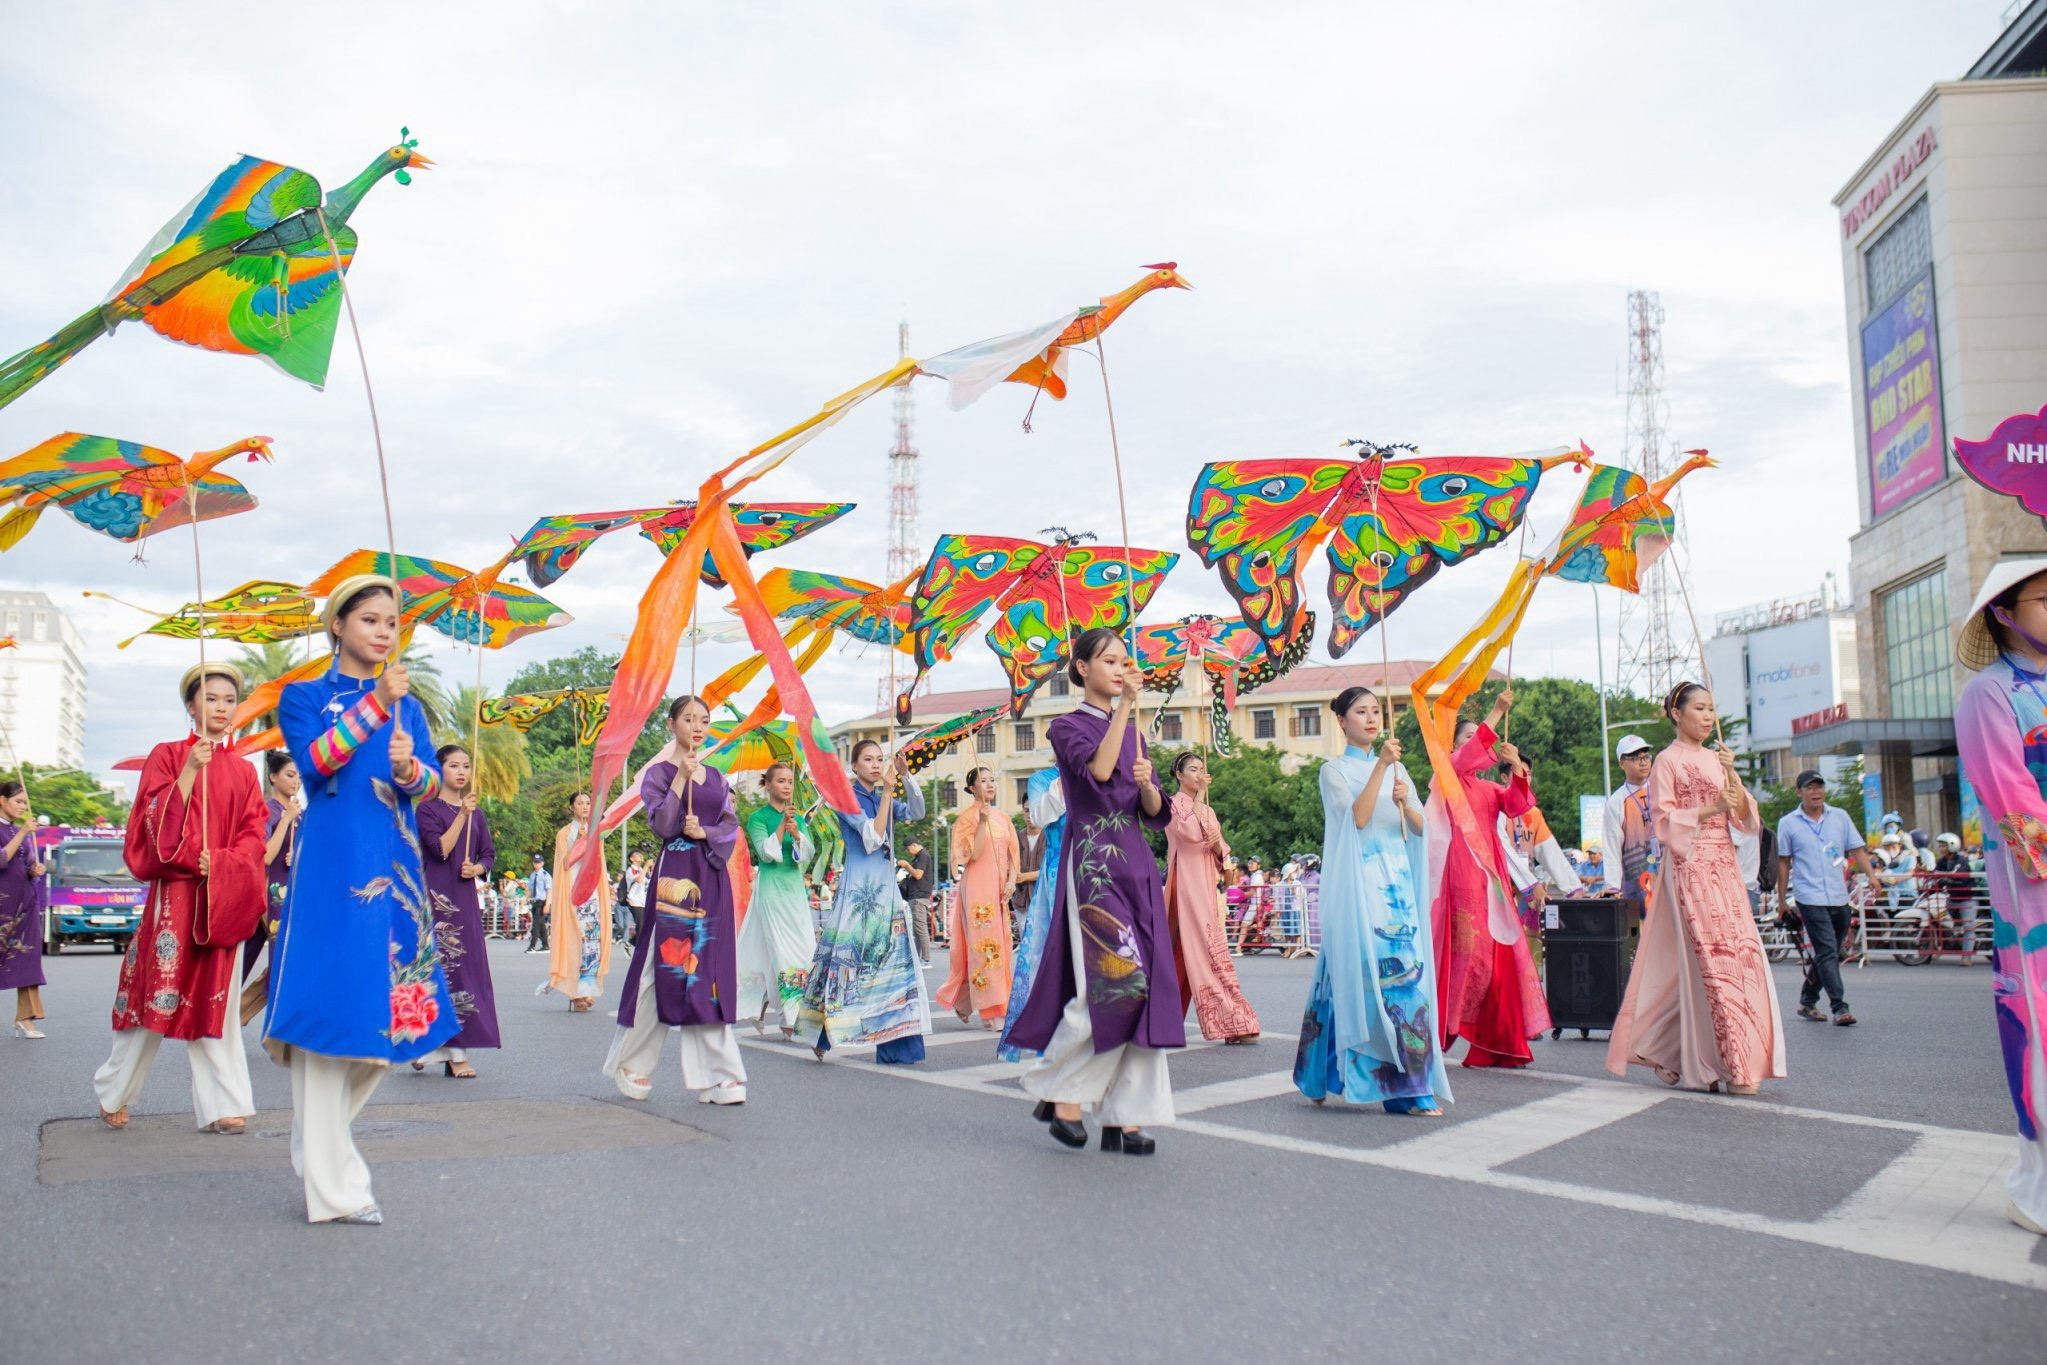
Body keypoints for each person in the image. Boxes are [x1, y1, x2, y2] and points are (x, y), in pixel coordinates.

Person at [265, 576, 458, 1224]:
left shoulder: (411, 708)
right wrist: (374, 704)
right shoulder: (305, 697)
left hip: (397, 874)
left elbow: (428, 784)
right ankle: (335, 1188)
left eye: (391, 622)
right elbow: (316, 762)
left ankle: (311, 1139)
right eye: (370, 619)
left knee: (390, 1029)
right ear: (338, 625)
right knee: (333, 1022)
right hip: (331, 874)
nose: (383, 630)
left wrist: (410, 769)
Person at [1004, 627, 1181, 1155]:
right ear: (1082, 669)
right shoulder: (1067, 726)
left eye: (1125, 661)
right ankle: (1061, 1093)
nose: (1121, 669)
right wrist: (1126, 709)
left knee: (1145, 993)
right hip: (1095, 868)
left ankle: (1126, 1118)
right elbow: (1100, 772)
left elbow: (1150, 813)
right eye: (1109, 660)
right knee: (1114, 984)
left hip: (1139, 868)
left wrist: (1150, 784)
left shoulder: (1135, 732)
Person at [93, 662, 266, 1134]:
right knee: (154, 1000)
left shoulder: (246, 771)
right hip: (175, 900)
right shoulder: (168, 755)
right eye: (211, 699)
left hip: (222, 899)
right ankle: (114, 1091)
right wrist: (190, 770)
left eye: (230, 700)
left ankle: (222, 1105)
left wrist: (226, 862)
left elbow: (255, 833)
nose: (222, 708)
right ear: (191, 706)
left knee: (219, 1003)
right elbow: (151, 824)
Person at [1607, 681, 1782, 1096]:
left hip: (1725, 871)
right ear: (1677, 714)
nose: (1707, 716)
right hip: (1689, 868)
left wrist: (1731, 775)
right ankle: (1733, 1063)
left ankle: (1672, 1051)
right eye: (1699, 708)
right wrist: (1712, 807)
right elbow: (1665, 822)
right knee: (1710, 963)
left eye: (1711, 709)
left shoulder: (1717, 758)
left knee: (1741, 962)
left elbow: (1747, 819)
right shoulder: (1666, 762)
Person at [1295, 687, 1447, 1113]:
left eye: (1375, 710)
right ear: (1342, 721)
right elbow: (1356, 820)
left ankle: (1325, 1072)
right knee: (1367, 981)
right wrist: (1380, 767)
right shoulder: (1334, 772)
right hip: (1358, 887)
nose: (1370, 717)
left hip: (1396, 888)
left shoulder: (1400, 773)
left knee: (1399, 984)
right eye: (1360, 712)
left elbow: (1419, 828)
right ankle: (1403, 1090)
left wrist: (1407, 802)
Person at [1952, 555, 2047, 1234]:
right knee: (2038, 1030)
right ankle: (2033, 1183)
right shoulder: (1988, 694)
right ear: (2005, 614)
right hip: (2033, 899)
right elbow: (2015, 806)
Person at [604, 696, 747, 1104]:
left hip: (711, 879)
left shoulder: (719, 778)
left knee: (707, 971)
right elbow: (663, 825)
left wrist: (706, 834)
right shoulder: (659, 774)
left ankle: (719, 1076)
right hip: (674, 881)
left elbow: (730, 828)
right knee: (660, 967)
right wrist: (681, 781)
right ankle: (633, 1062)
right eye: (688, 719)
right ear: (672, 725)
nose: (697, 727)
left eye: (704, 720)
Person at [1427, 689, 1551, 1067]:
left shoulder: (1487, 788)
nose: (1478, 744)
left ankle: (1495, 1037)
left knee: (1498, 953)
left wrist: (1517, 769)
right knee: (1466, 953)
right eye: (1469, 737)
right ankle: (1439, 1028)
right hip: (1461, 872)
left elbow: (1517, 805)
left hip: (1491, 879)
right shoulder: (1445, 775)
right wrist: (1497, 711)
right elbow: (1465, 755)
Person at [799, 739, 930, 1063]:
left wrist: (905, 776)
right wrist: (887, 793)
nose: (875, 764)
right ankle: (823, 1032)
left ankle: (896, 1042)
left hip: (885, 887)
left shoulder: (880, 794)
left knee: (891, 960)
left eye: (880, 759)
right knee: (846, 959)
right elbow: (872, 839)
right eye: (868, 759)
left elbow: (917, 811)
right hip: (859, 887)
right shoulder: (847, 799)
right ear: (854, 767)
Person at [412, 744, 500, 1079]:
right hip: (435, 901)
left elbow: (488, 854)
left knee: (464, 972)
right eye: (453, 765)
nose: (461, 772)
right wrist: (461, 814)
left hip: (464, 901)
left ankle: (449, 1050)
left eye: (465, 766)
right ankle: (434, 1047)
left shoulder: (477, 813)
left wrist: (476, 869)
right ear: (439, 770)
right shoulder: (428, 810)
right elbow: (440, 849)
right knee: (436, 971)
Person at [1163, 753, 1259, 1043]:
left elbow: (1222, 851)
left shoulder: (1208, 811)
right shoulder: (1171, 805)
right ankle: (1234, 1022)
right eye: (1193, 769)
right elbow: (1189, 834)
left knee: (1186, 952)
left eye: (1202, 769)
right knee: (1203, 952)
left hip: (1205, 886)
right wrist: (1201, 796)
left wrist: (1219, 848)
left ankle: (1161, 1022)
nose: (1198, 774)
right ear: (1179, 775)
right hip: (1186, 886)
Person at [1774, 769, 1877, 1026]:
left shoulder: (1839, 817)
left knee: (1828, 952)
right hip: (1809, 897)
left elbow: (1857, 849)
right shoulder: (1788, 823)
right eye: (1809, 787)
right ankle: (1840, 1007)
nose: (1815, 791)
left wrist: (1872, 877)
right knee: (1827, 951)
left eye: (1819, 786)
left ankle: (1808, 1000)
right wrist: (1782, 901)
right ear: (1799, 792)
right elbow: (1784, 862)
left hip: (1839, 896)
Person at [735, 761, 815, 1038]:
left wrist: (796, 834)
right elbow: (765, 852)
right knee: (782, 950)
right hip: (770, 891)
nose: (786, 786)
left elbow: (806, 854)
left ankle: (768, 1005)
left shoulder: (799, 818)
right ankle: (790, 1017)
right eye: (780, 781)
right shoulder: (758, 818)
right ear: (767, 784)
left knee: (803, 948)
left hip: (794, 890)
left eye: (790, 781)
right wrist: (782, 825)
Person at [937, 766, 1019, 1028]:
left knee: (1003, 946)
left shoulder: (1005, 818)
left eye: (992, 780)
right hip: (977, 889)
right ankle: (991, 1009)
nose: (990, 784)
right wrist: (982, 822)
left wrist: (1012, 881)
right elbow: (972, 855)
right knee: (985, 946)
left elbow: (1013, 854)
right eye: (983, 781)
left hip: (999, 891)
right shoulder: (967, 819)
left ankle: (966, 1001)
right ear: (972, 788)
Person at [999, 769, 1065, 1064]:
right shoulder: (1042, 780)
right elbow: (1040, 819)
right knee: (1044, 957)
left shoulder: (1099, 770)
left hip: (1093, 871)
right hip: (1056, 874)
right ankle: (1048, 1035)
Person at [239, 751, 302, 1023]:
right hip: (268, 894)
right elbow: (263, 855)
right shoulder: (266, 811)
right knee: (247, 961)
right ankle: (227, 1011)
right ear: (273, 777)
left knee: (285, 962)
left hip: (293, 895)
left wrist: (297, 855)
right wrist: (286, 820)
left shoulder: (301, 814)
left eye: (299, 775)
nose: (296, 781)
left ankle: (233, 1014)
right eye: (290, 775)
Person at [542, 791, 612, 1011]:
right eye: (579, 803)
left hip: (592, 895)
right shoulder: (565, 833)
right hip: (572, 894)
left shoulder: (596, 832)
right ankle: (574, 992)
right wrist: (579, 842)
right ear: (571, 807)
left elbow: (598, 862)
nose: (584, 806)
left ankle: (587, 989)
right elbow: (564, 863)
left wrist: (589, 839)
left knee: (592, 943)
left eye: (588, 803)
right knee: (575, 941)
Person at [1, 781, 47, 1037]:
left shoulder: (23, 833)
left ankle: (26, 1018)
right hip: (2, 908)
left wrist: (35, 870)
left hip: (25, 906)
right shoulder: (18, 832)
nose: (22, 807)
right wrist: (22, 833)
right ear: (2, 800)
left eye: (24, 804)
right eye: (18, 802)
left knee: (27, 959)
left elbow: (28, 867)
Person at [1600, 734, 1658, 920]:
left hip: (1667, 876)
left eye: (1645, 756)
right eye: (1634, 758)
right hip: (1636, 882)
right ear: (1621, 763)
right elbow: (1612, 848)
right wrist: (1613, 888)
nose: (1642, 762)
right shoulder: (1616, 802)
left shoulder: (1662, 789)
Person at [898, 839, 935, 967]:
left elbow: (918, 875)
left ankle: (926, 959)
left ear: (914, 845)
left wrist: (907, 866)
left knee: (921, 929)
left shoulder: (923, 856)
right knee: (918, 930)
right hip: (917, 896)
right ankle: (919, 959)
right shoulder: (920, 856)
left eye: (908, 849)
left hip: (919, 896)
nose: (908, 852)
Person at [622, 851, 649, 947]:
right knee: (641, 925)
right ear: (632, 859)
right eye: (637, 855)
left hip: (643, 901)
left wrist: (648, 868)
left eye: (641, 854)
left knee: (646, 925)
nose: (640, 856)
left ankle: (630, 942)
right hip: (634, 901)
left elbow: (647, 881)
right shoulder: (630, 870)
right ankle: (639, 948)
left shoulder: (641, 869)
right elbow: (639, 880)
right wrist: (646, 866)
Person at [524, 854, 551, 953]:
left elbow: (549, 890)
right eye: (535, 862)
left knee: (535, 925)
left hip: (542, 902)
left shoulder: (545, 875)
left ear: (542, 863)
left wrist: (547, 904)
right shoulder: (532, 875)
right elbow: (530, 889)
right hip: (534, 902)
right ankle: (545, 945)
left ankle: (532, 946)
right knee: (541, 925)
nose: (536, 864)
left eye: (538, 862)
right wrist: (524, 899)